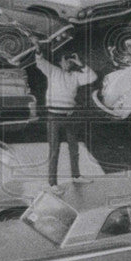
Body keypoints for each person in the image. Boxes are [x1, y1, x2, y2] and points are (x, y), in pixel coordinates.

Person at [34, 50, 97, 190]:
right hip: (54, 118)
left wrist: (80, 64)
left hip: (70, 117)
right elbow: (40, 61)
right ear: (59, 62)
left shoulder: (75, 76)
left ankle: (76, 176)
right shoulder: (53, 71)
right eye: (65, 60)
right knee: (54, 150)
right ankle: (52, 184)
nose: (68, 62)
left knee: (74, 148)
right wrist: (38, 48)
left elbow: (92, 77)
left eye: (70, 60)